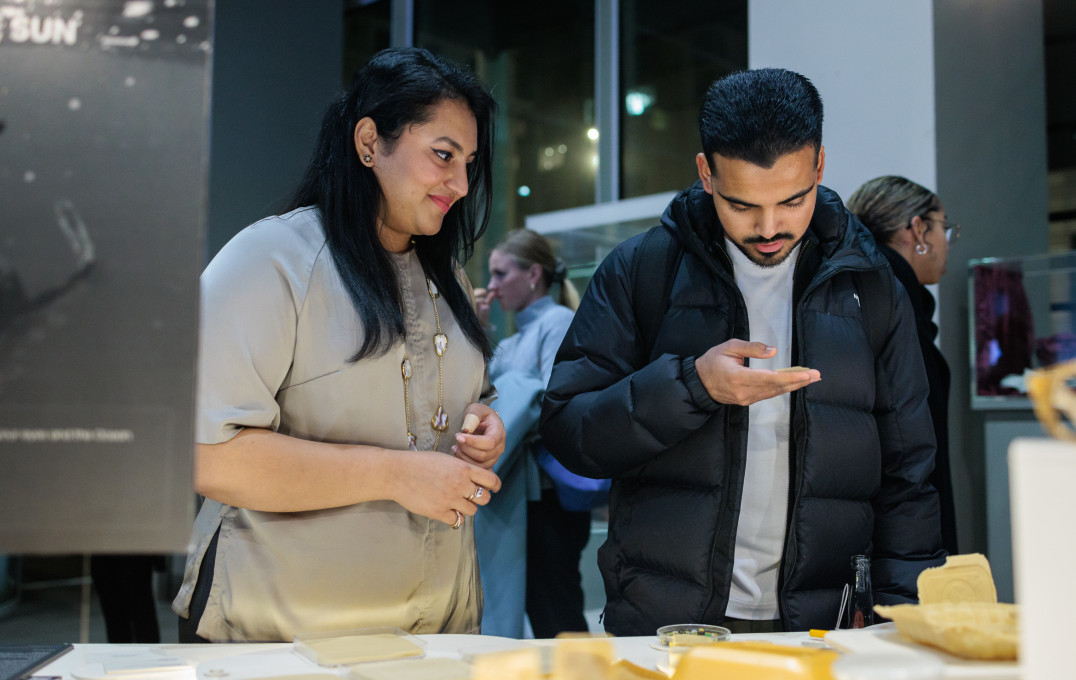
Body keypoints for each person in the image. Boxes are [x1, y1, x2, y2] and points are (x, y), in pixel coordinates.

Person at [539, 67, 945, 636]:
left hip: (823, 624)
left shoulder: (870, 286)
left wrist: (905, 624)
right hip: (668, 627)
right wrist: (690, 387)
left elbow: (908, 475)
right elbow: (569, 432)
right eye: (743, 205)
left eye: (792, 200)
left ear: (820, 166)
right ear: (706, 173)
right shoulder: (642, 270)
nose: (770, 227)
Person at [171, 47, 506, 642]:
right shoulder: (270, 260)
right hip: (281, 638)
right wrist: (397, 476)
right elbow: (210, 458)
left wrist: (481, 425)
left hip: (435, 632)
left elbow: (462, 403)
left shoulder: (447, 278)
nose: (458, 183)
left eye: (468, 162)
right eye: (442, 155)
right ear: (369, 142)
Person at [471, 229, 589, 638]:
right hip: (528, 496)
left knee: (555, 614)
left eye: (501, 274)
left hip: (548, 497)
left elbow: (551, 401)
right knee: (539, 610)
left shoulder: (557, 322)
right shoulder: (518, 337)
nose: (493, 286)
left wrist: (513, 397)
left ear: (533, 273)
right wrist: (480, 330)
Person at [847, 176, 959, 555]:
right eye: (945, 228)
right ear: (917, 229)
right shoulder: (897, 302)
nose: (948, 243)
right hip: (901, 530)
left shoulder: (860, 290)